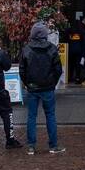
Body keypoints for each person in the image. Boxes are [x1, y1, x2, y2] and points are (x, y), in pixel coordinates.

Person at [19, 21, 65, 155]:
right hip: (47, 87)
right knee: (50, 116)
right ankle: (53, 145)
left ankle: (31, 146)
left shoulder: (27, 49)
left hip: (33, 87)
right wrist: (52, 83)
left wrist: (28, 83)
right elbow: (58, 69)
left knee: (31, 117)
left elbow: (22, 70)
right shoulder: (51, 48)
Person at [66, 15, 85, 84]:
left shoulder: (69, 31)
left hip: (71, 50)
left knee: (71, 64)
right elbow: (83, 42)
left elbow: (66, 39)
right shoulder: (80, 32)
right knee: (78, 64)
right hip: (78, 50)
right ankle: (77, 78)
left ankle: (69, 77)